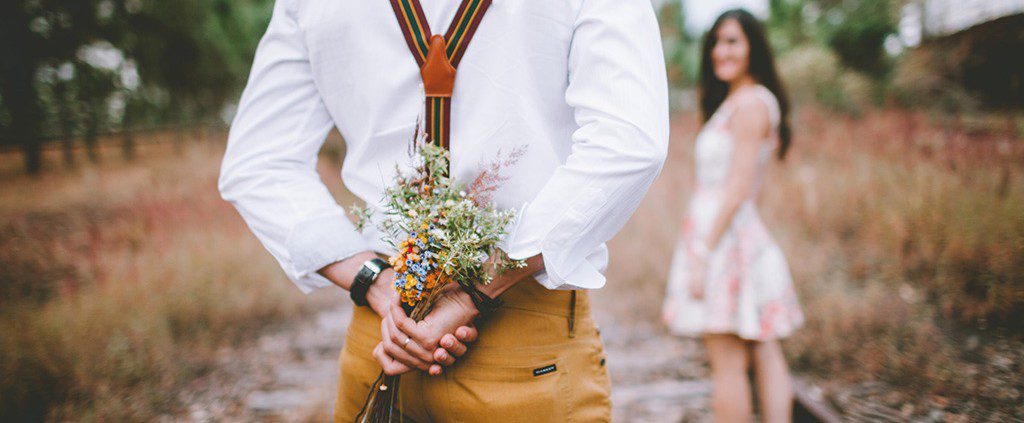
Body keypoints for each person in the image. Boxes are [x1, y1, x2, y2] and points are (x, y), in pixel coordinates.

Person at [218, 0, 669, 421]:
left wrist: (374, 279)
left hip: (382, 341)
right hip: (524, 353)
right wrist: (478, 285)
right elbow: (629, 142)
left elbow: (257, 163)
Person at [661, 8, 805, 423]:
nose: (721, 52)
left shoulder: (750, 105)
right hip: (732, 233)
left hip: (723, 239)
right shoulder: (744, 102)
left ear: (752, 48)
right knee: (762, 346)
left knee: (727, 359)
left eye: (732, 41)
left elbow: (739, 186)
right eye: (716, 43)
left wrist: (703, 251)